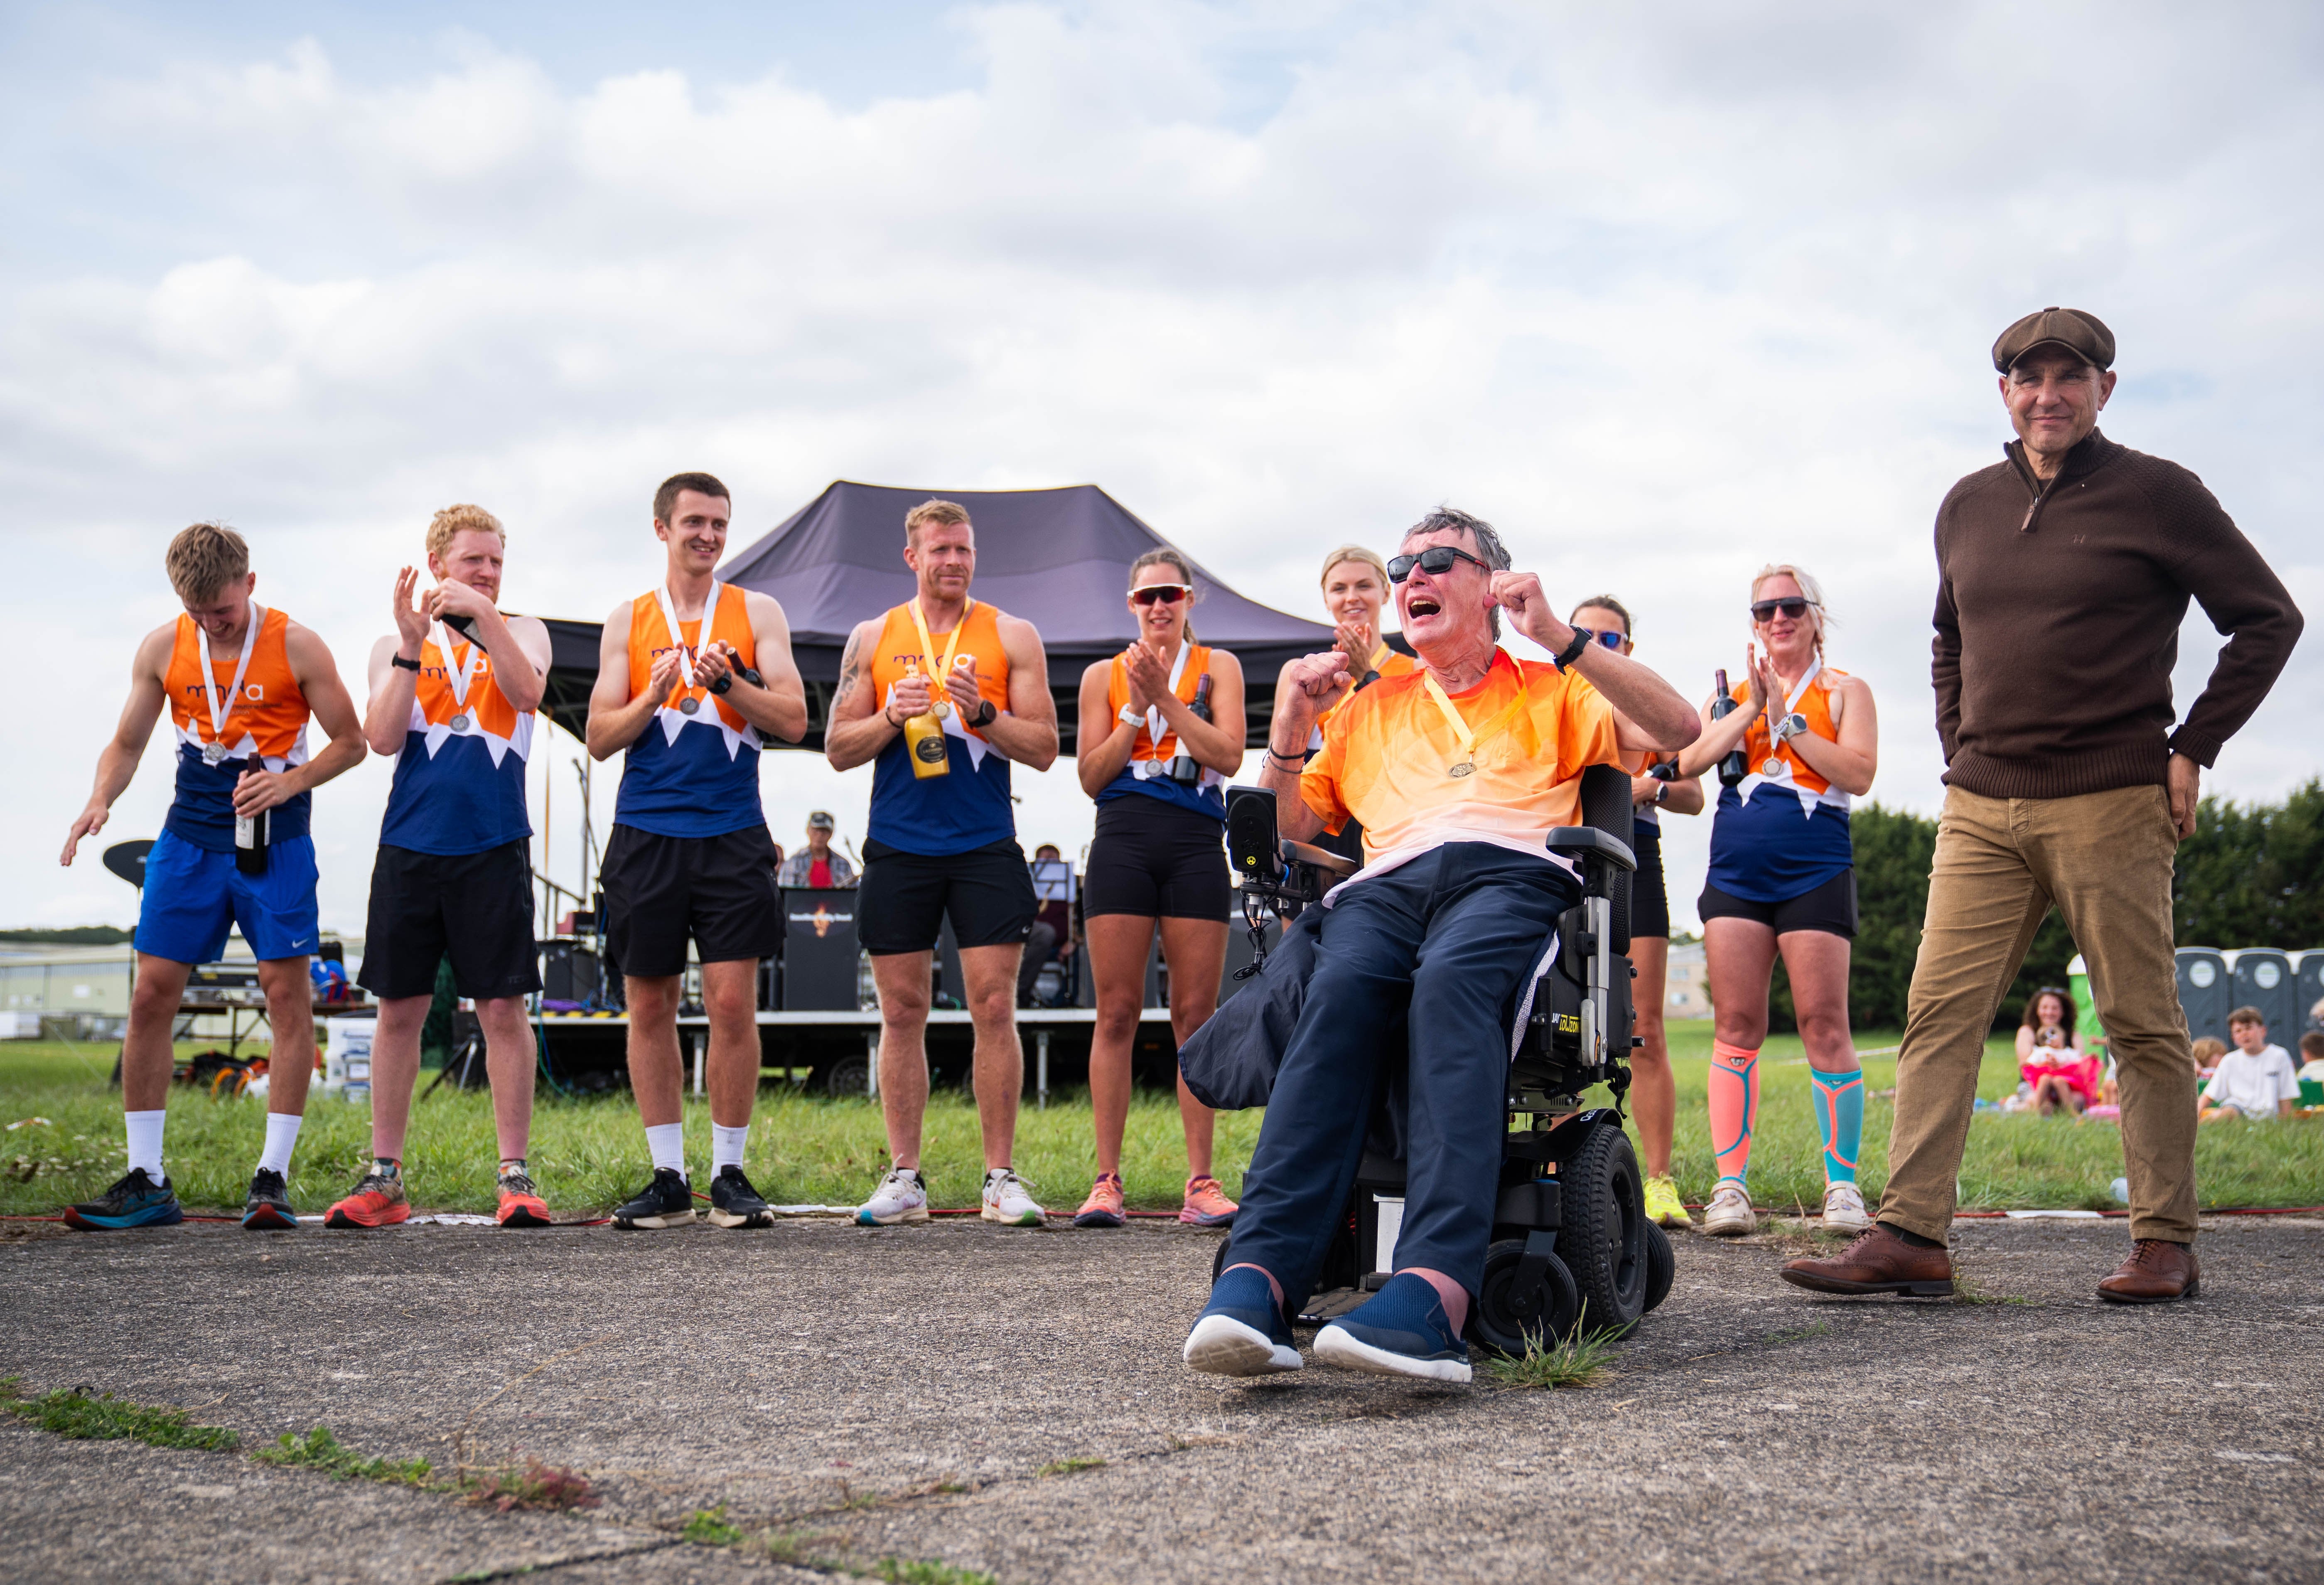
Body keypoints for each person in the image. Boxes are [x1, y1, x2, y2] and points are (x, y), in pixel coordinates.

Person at [1784, 307, 2301, 1307]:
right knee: (1940, 1011)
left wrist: (2193, 745)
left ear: (2105, 388)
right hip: (1982, 804)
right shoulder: (1966, 505)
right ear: (2005, 390)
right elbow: (1947, 638)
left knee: (2140, 1021)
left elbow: (2268, 619)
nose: (2048, 394)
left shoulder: (2161, 495)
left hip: (2111, 798)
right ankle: (1910, 1234)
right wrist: (1956, 744)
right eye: (2029, 377)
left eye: (2071, 377)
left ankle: (2164, 1241)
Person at [1182, 508, 1698, 1383]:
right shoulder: (1370, 704)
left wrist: (1562, 637)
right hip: (1386, 881)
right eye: (1402, 564)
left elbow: (1678, 725)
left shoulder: (1554, 683)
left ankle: (1433, 1293)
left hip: (1511, 869)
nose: (1410, 576)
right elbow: (1297, 825)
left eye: (1435, 561)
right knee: (1338, 993)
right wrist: (1291, 724)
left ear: (1490, 586)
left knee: (1452, 984)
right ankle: (1257, 1280)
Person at [58, 523, 364, 1230]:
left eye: (222, 612)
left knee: (286, 998)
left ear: (250, 587)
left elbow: (351, 744)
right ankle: (148, 1178)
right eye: (197, 613)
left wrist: (292, 786)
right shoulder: (165, 645)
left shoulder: (298, 645)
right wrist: (101, 798)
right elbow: (128, 742)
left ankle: (272, 1178)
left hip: (274, 843)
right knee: (149, 997)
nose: (211, 625)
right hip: (190, 839)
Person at [825, 499, 1060, 1227]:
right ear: (912, 558)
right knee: (902, 1010)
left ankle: (999, 1178)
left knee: (993, 1005)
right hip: (899, 842)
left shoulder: (1010, 634)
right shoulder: (872, 637)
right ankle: (904, 1177)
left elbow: (1047, 746)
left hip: (983, 841)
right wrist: (890, 716)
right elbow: (837, 746)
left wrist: (984, 712)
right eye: (938, 550)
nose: (952, 561)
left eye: (962, 550)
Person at [323, 506, 556, 1231]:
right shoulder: (395, 641)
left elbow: (526, 695)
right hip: (412, 847)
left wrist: (484, 612)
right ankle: (385, 1176)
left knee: (501, 1011)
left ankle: (513, 1173)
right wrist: (408, 647)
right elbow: (383, 737)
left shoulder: (521, 630)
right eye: (471, 563)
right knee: (399, 1010)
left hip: (492, 845)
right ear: (436, 566)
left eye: (495, 563)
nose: (486, 573)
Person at [586, 472, 808, 1230]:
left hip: (731, 833)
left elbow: (795, 719)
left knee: (731, 1003)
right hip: (646, 833)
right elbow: (599, 736)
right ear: (662, 529)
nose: (708, 536)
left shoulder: (757, 612)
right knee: (647, 1003)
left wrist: (733, 685)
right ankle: (668, 1176)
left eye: (718, 523)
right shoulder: (628, 619)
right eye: (694, 523)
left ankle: (729, 1171)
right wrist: (651, 695)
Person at [1669, 565, 1879, 1236]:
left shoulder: (1846, 691)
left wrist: (1785, 725)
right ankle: (1729, 1187)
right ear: (1752, 622)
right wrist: (1746, 712)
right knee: (1735, 1025)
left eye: (1790, 606)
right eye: (1763, 610)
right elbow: (1691, 762)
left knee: (1824, 1023)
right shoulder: (1728, 695)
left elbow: (1859, 773)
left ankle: (1840, 1188)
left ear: (1815, 616)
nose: (1777, 618)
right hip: (1735, 871)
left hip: (1814, 868)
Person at [1070, 548, 1246, 1229]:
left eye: (1169, 594)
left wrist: (1165, 701)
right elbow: (1089, 774)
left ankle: (1199, 1181)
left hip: (1195, 840)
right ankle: (1105, 1179)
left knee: (1193, 1015)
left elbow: (1228, 755)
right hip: (1122, 834)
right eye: (1145, 597)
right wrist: (1131, 713)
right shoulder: (1100, 676)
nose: (1158, 607)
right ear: (1130, 605)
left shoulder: (1218, 667)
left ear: (1188, 600)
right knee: (1115, 1012)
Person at [1568, 595, 1704, 1230]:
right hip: (1564, 854)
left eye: (1612, 636)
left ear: (1626, 648)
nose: (1598, 641)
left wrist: (1646, 786)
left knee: (1643, 1023)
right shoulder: (1549, 696)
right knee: (1553, 1018)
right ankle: (1554, 1164)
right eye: (1584, 633)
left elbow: (1695, 794)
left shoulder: (1640, 703)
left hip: (1633, 854)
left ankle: (1658, 1180)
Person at [1301, 545, 1419, 864]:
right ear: (1326, 599)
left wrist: (1367, 675)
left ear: (1385, 593)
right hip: (1319, 816)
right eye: (1339, 588)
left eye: (1363, 586)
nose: (1351, 597)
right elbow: (1284, 757)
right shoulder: (1303, 672)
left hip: (1387, 818)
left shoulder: (1416, 669)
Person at [2197, 1009, 2299, 1122]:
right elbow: (2209, 1094)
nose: (2244, 1034)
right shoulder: (2229, 1060)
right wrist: (2195, 1118)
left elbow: (2286, 1096)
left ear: (2263, 1031)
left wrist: (2287, 1123)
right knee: (2228, 1113)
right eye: (2238, 1031)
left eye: (2249, 1028)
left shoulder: (2279, 1056)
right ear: (2233, 1038)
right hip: (2237, 1109)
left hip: (2268, 1116)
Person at [2016, 986, 2099, 1117]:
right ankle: (2043, 1107)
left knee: (2078, 1100)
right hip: (2035, 1086)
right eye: (2044, 1008)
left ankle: (2057, 1109)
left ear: (2063, 1012)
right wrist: (2045, 1064)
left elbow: (2080, 1064)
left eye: (2055, 1008)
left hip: (2066, 1086)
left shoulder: (2073, 1035)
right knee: (2040, 1100)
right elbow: (2025, 1065)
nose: (2049, 1012)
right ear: (2037, 1010)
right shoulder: (2027, 1032)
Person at [775, 811, 857, 889]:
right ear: (808, 830)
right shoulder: (793, 863)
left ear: (832, 833)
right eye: (816, 830)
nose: (819, 835)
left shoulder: (843, 865)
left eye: (824, 831)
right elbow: (785, 898)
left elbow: (852, 898)